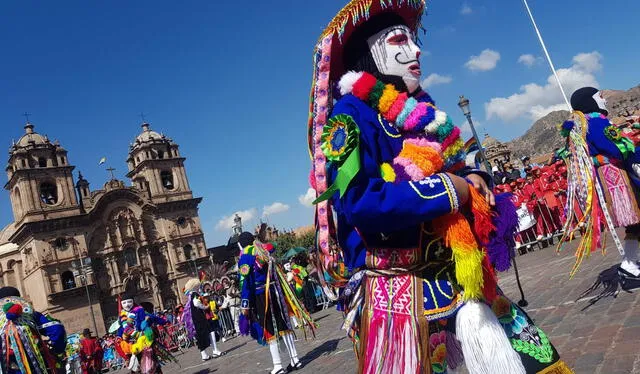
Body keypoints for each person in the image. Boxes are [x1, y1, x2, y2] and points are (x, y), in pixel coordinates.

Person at [307, 1, 571, 373]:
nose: (416, 51)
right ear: (369, 52)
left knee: (529, 361)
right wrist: (451, 190)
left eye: (415, 40)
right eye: (400, 40)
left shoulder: (422, 112)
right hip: (398, 288)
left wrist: (477, 178)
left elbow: (459, 163)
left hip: (459, 270)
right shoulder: (349, 117)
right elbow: (360, 202)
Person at [561, 86, 640, 290]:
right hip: (617, 178)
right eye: (600, 97)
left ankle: (629, 265)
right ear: (590, 101)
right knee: (636, 218)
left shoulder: (582, 124)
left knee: (635, 223)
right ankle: (629, 266)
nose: (604, 100)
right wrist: (632, 145)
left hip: (610, 176)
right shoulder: (595, 122)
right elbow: (614, 147)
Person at [237, 232, 315, 374]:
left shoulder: (245, 258)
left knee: (269, 328)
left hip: (262, 296)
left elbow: (246, 284)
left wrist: (245, 305)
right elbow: (273, 246)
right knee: (283, 323)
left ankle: (278, 365)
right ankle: (295, 359)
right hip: (275, 291)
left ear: (241, 244)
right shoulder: (263, 250)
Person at [0, 286, 67, 374]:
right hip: (39, 365)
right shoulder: (33, 315)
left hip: (9, 368)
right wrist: (57, 350)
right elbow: (57, 329)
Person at [116, 294, 175, 373]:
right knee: (136, 367)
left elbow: (152, 317)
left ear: (133, 302)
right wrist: (119, 336)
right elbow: (122, 328)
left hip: (144, 340)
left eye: (129, 302)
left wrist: (163, 321)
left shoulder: (139, 310)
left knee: (151, 363)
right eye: (124, 303)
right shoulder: (122, 316)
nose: (127, 305)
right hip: (132, 344)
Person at [182, 279, 223, 361]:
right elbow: (196, 303)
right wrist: (205, 307)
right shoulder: (195, 294)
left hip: (195, 319)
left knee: (200, 336)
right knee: (210, 331)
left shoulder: (190, 295)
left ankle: (204, 355)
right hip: (199, 318)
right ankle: (215, 350)